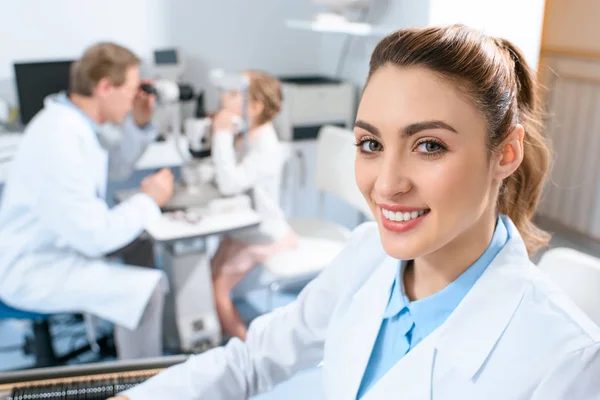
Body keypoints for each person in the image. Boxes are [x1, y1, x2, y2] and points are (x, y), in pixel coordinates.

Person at [112, 25, 600, 400]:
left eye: (429, 145)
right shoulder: (366, 254)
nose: (386, 184)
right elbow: (254, 361)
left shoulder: (567, 363)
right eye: (370, 144)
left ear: (505, 154)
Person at [0, 42, 174, 360]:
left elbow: (116, 167)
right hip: (33, 267)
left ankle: (141, 350)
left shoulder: (74, 124)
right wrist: (149, 199)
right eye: (132, 89)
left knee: (139, 242)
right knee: (146, 292)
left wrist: (138, 122)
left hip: (61, 244)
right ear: (106, 87)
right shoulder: (59, 136)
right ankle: (143, 387)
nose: (136, 96)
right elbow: (95, 238)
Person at [209, 71, 297, 340]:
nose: (224, 96)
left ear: (255, 107)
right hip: (243, 228)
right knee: (205, 278)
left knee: (216, 289)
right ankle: (220, 336)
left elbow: (229, 183)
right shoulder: (248, 134)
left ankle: (245, 356)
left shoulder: (266, 147)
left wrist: (221, 135)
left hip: (262, 235)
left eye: (234, 93)